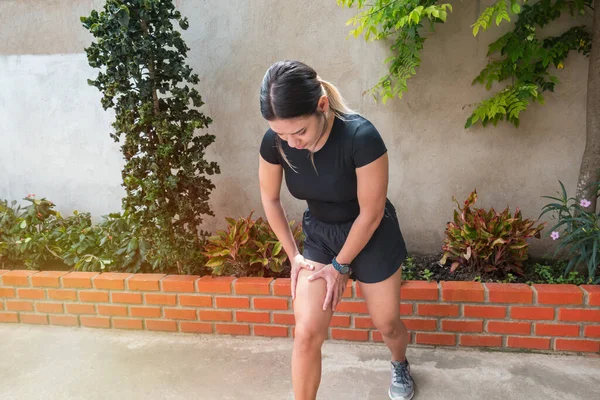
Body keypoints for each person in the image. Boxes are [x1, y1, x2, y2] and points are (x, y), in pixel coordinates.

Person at [258, 60, 415, 400]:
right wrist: (294, 256)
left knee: (387, 324)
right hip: (321, 235)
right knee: (307, 333)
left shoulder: (361, 136)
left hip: (372, 234)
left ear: (322, 106)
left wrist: (341, 267)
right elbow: (270, 199)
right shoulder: (276, 141)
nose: (291, 143)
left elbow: (371, 213)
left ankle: (400, 362)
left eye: (299, 132)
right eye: (282, 134)